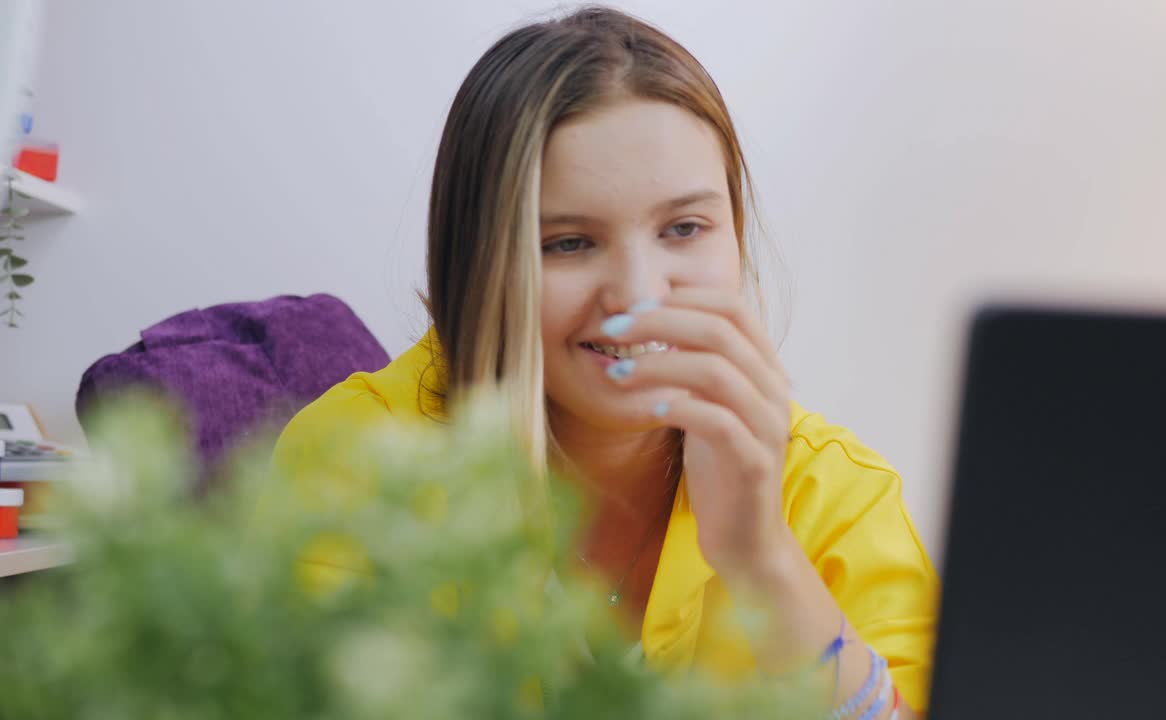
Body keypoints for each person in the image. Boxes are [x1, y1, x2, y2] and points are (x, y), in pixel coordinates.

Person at [273, 6, 937, 717]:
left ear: (734, 237)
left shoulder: (831, 491)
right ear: (479, 263)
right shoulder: (361, 461)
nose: (638, 295)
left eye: (683, 229)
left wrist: (760, 552)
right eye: (568, 243)